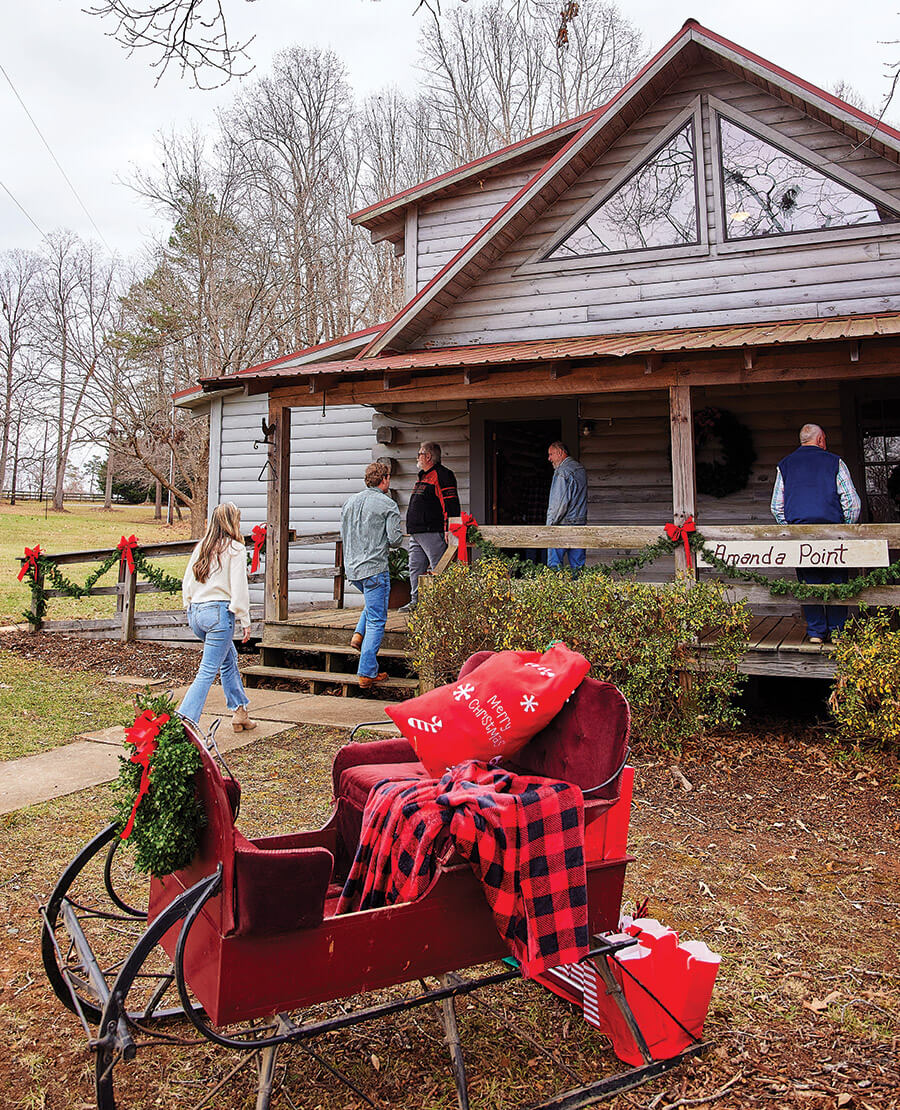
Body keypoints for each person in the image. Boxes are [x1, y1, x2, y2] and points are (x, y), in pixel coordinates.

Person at [771, 422, 861, 643]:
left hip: (800, 535)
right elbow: (852, 503)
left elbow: (776, 506)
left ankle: (815, 632)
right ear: (821, 440)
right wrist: (844, 527)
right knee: (837, 580)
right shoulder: (834, 462)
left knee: (808, 580)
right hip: (833, 533)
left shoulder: (785, 465)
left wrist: (791, 528)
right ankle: (838, 632)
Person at [179, 502, 255, 730]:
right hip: (219, 615)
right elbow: (239, 587)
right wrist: (245, 619)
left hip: (197, 614)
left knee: (228, 660)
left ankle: (240, 711)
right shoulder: (235, 549)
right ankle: (184, 719)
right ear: (232, 522)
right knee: (207, 670)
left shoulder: (201, 546)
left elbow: (187, 582)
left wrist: (189, 606)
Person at [342, 461, 404, 688]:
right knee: (378, 619)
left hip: (353, 569)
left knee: (373, 603)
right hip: (375, 568)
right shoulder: (388, 504)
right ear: (385, 479)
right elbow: (396, 540)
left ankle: (359, 634)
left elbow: (345, 535)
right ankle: (367, 672)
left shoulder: (349, 503)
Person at [400, 442, 460, 612]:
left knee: (439, 566)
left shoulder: (443, 475)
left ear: (428, 456)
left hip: (432, 531)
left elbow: (450, 503)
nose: (417, 457)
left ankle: (443, 604)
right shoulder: (423, 476)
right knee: (415, 566)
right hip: (417, 533)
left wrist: (449, 527)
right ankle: (416, 601)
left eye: (420, 454)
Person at [546, 441, 588, 570]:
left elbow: (558, 504)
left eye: (551, 454)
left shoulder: (562, 472)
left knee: (554, 566)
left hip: (562, 524)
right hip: (580, 524)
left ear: (560, 453)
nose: (549, 459)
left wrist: (549, 526)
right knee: (578, 566)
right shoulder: (580, 469)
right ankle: (580, 590)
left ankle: (556, 591)